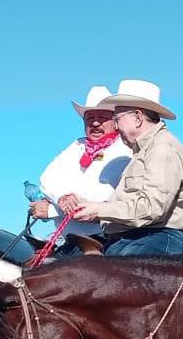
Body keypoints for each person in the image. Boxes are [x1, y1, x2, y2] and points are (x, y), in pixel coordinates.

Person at [72, 79, 183, 256]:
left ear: (137, 117)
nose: (115, 126)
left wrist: (99, 210)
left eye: (117, 119)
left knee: (114, 277)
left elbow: (152, 208)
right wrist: (92, 207)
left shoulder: (162, 148)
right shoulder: (146, 150)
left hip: (155, 237)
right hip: (139, 239)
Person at [31, 85, 132, 252]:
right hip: (72, 240)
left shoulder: (124, 150)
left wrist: (51, 210)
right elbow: (48, 178)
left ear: (115, 122)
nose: (95, 123)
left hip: (105, 240)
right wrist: (61, 197)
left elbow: (103, 200)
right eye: (90, 117)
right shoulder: (77, 146)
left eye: (102, 117)